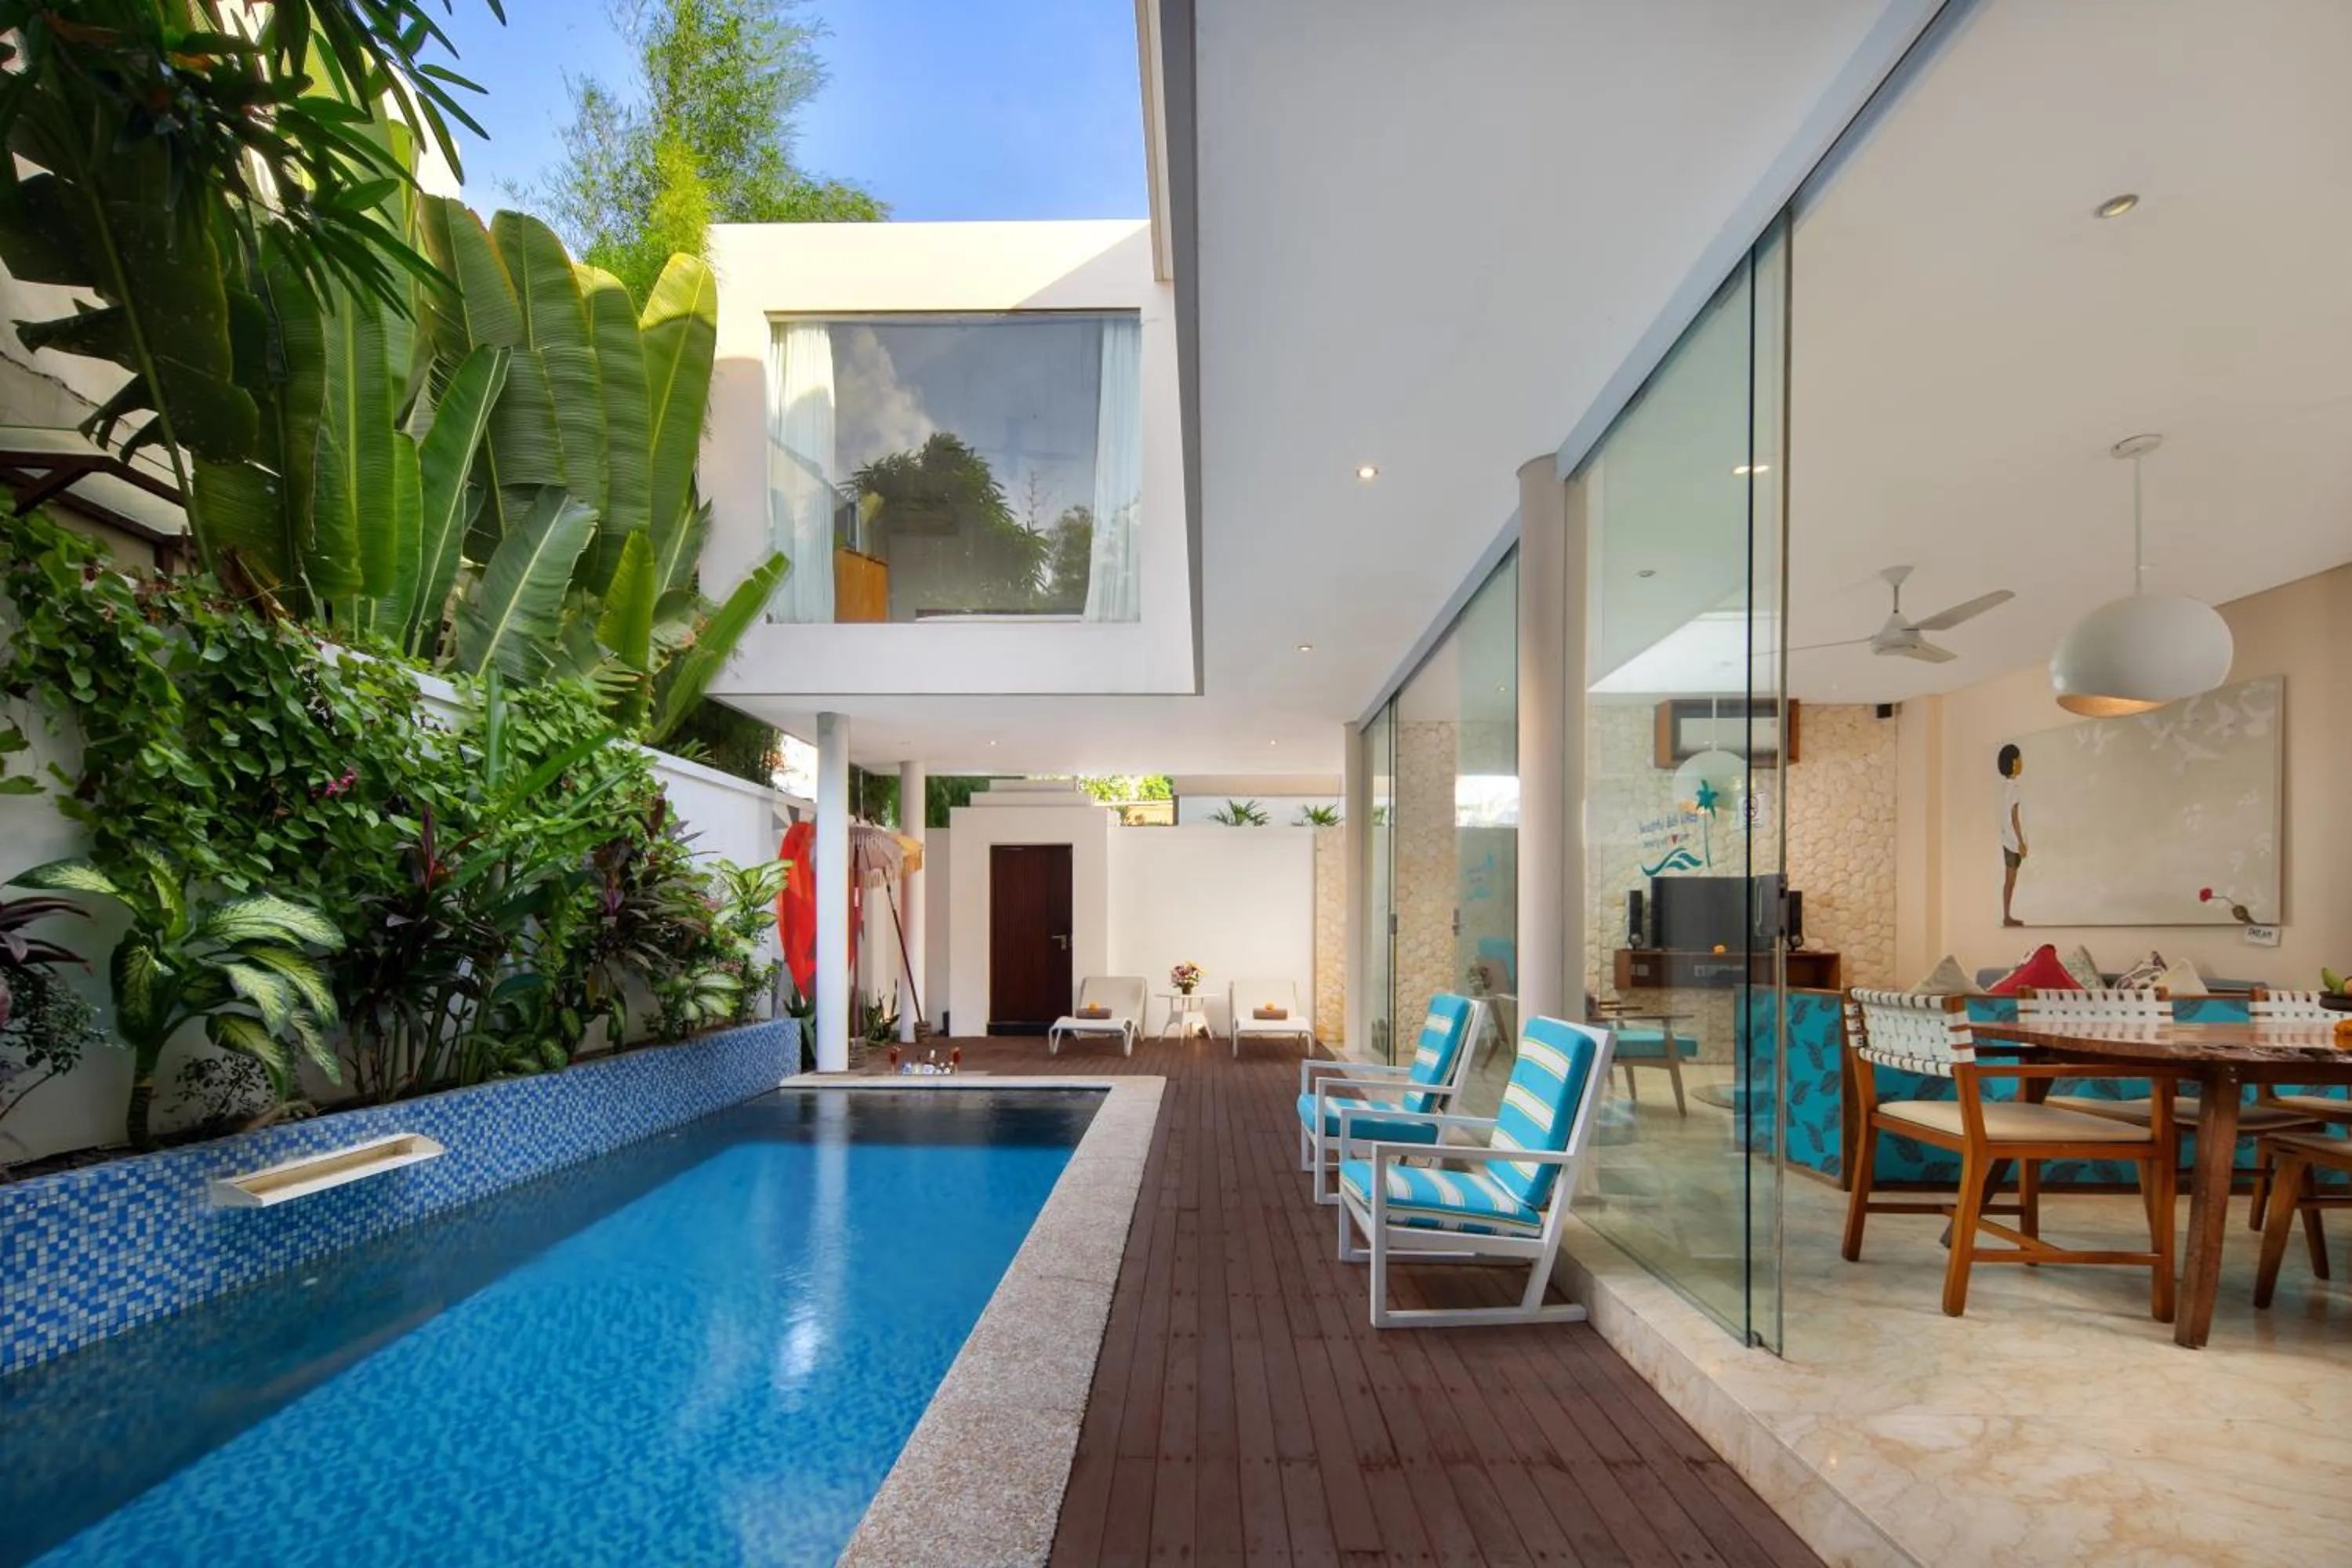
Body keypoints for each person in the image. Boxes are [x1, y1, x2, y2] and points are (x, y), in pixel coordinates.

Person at [1997, 743, 2027, 927]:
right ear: (2014, 763)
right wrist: (2021, 842)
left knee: (2009, 881)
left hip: (2006, 839)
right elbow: (2015, 818)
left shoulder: (2004, 788)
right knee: (2010, 881)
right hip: (2011, 842)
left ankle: (2007, 915)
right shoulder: (2014, 788)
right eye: (2020, 758)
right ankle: (2007, 916)